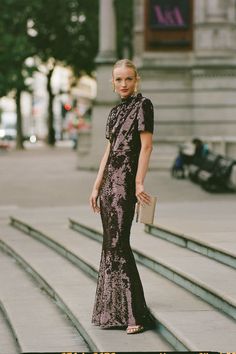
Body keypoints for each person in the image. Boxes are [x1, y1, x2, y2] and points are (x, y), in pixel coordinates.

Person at [89, 59, 155, 335]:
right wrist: (96, 185)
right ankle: (112, 312)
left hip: (126, 184)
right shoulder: (114, 112)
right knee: (110, 245)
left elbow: (147, 146)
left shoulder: (144, 105)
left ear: (136, 79)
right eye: (119, 80)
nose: (124, 84)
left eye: (128, 79)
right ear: (113, 83)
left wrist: (139, 182)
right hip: (108, 187)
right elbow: (108, 151)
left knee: (119, 244)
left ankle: (135, 315)